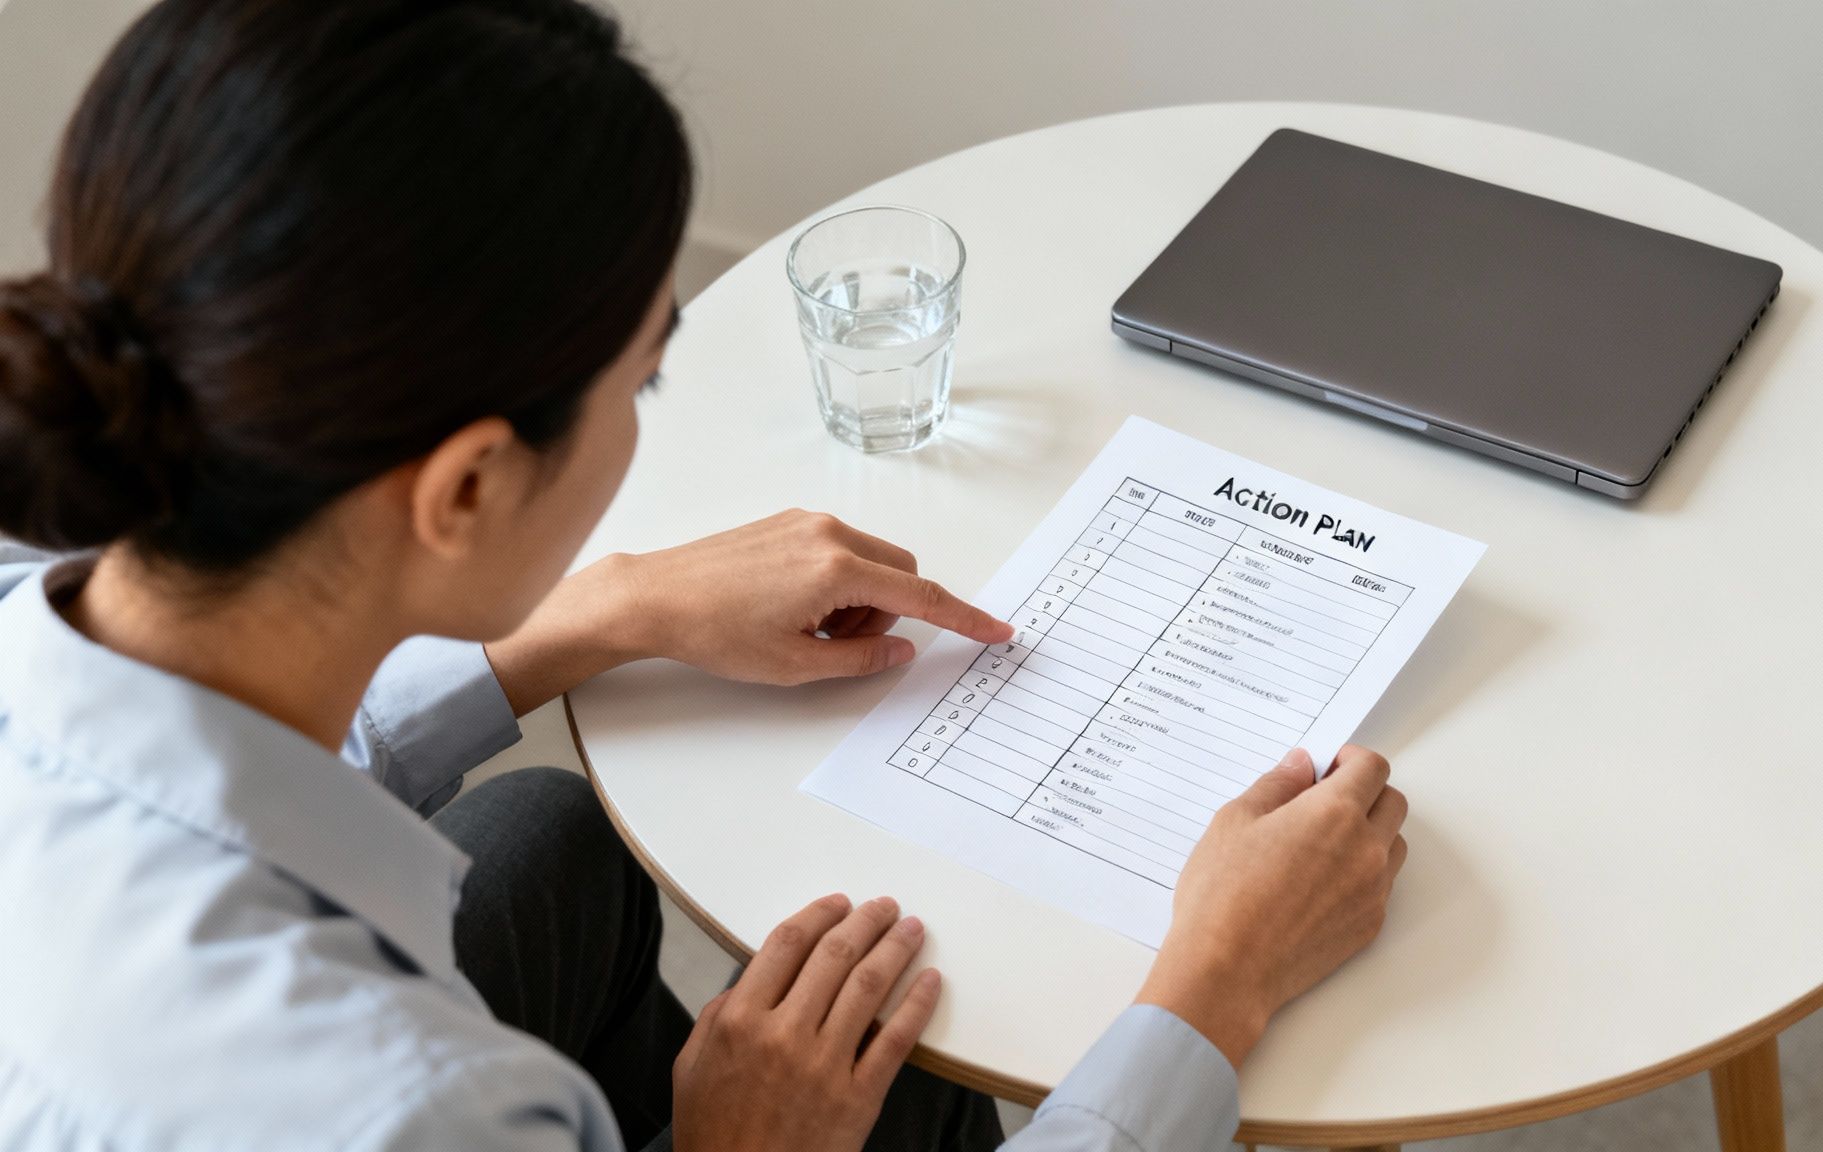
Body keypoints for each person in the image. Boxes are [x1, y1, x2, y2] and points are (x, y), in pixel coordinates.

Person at [0, 1, 1410, 1150]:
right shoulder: (403, 1113)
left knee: (544, 843)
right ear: (470, 484)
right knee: (936, 1062)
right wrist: (1217, 986)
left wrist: (604, 612)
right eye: (644, 379)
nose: (645, 419)